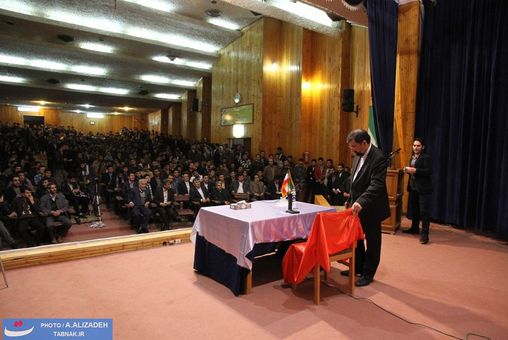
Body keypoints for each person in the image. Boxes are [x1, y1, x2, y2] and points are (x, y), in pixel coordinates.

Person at [342, 129, 390, 287]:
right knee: (356, 239)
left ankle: (368, 273)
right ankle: (357, 267)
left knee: (373, 241)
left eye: (354, 146)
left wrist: (361, 201)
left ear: (364, 143)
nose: (352, 149)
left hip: (372, 207)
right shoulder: (358, 155)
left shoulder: (379, 158)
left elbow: (376, 184)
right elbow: (355, 181)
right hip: (357, 206)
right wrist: (350, 199)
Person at [403, 138, 432, 244]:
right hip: (413, 188)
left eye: (418, 146)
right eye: (414, 145)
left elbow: (429, 171)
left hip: (423, 189)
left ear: (422, 147)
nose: (415, 148)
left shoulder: (426, 157)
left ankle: (425, 234)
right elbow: (413, 172)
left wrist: (415, 170)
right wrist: (407, 171)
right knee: (415, 210)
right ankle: (414, 228)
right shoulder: (412, 157)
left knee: (424, 212)